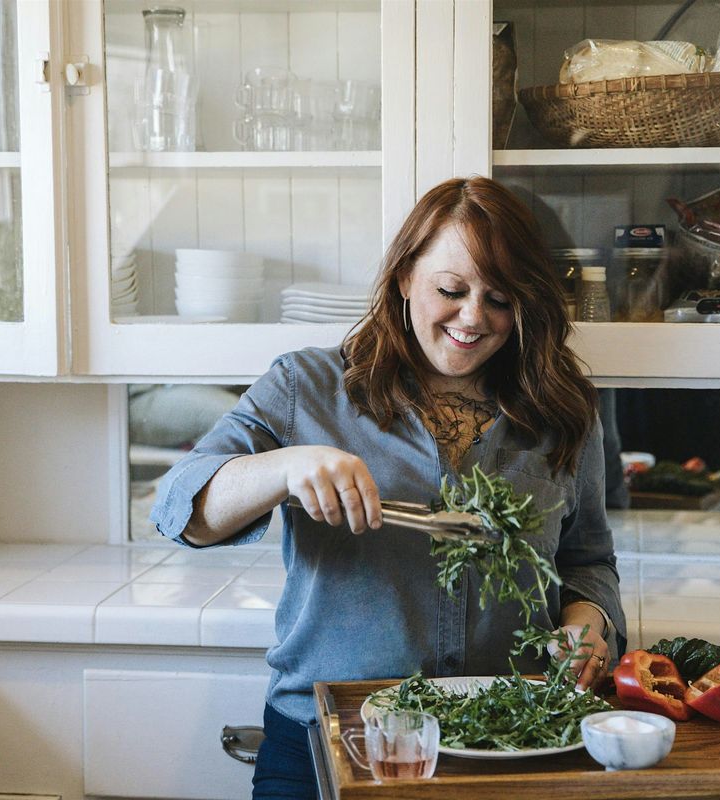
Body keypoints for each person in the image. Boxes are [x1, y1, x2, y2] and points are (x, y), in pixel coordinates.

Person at [149, 176, 626, 799]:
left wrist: (589, 620)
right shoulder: (308, 387)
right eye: (450, 290)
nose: (473, 318)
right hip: (329, 735)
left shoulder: (562, 408)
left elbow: (586, 560)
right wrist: (285, 467)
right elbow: (181, 509)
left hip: (507, 736)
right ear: (404, 278)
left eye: (501, 299)